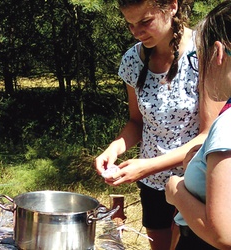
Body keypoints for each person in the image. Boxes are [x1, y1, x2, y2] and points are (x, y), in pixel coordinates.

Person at [93, 0, 224, 249]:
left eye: (145, 22)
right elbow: (136, 122)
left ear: (172, 7)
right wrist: (114, 149)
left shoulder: (204, 54)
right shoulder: (133, 60)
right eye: (130, 24)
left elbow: (208, 136)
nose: (137, 32)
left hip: (194, 184)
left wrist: (148, 167)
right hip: (152, 185)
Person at [166, 1, 231, 249]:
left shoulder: (227, 126)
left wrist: (177, 193)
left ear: (218, 53)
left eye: (197, 57)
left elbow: (224, 235)